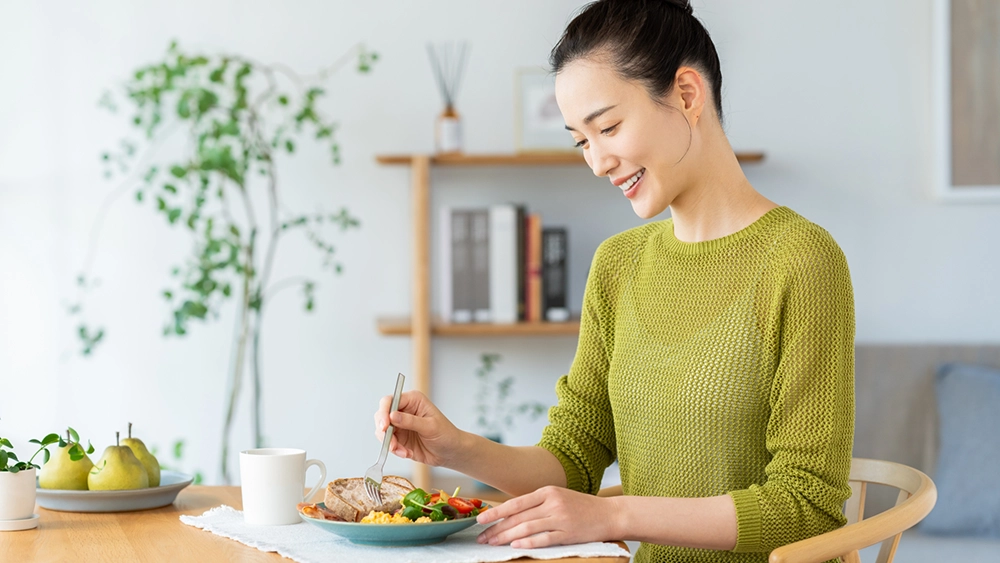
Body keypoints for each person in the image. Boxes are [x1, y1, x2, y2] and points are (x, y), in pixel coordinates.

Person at [374, 1, 855, 561]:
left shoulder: (801, 261)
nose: (598, 162)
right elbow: (572, 457)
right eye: (582, 141)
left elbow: (806, 505)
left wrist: (615, 514)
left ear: (687, 94)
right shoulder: (619, 265)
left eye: (608, 128)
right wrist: (456, 447)